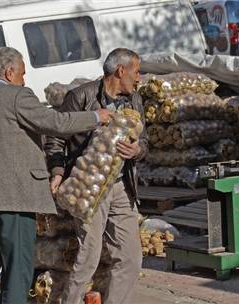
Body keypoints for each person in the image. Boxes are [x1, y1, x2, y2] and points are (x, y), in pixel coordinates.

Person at [0, 46, 113, 304]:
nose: (24, 79)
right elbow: (55, 122)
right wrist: (96, 117)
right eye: (22, 73)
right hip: (14, 199)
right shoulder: (17, 96)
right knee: (17, 271)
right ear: (10, 73)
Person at [44, 48, 148, 304]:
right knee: (89, 257)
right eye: (136, 71)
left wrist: (137, 150)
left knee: (131, 258)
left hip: (122, 187)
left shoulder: (134, 100)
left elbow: (145, 141)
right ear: (120, 71)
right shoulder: (81, 96)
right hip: (88, 190)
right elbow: (56, 138)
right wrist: (58, 172)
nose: (139, 78)